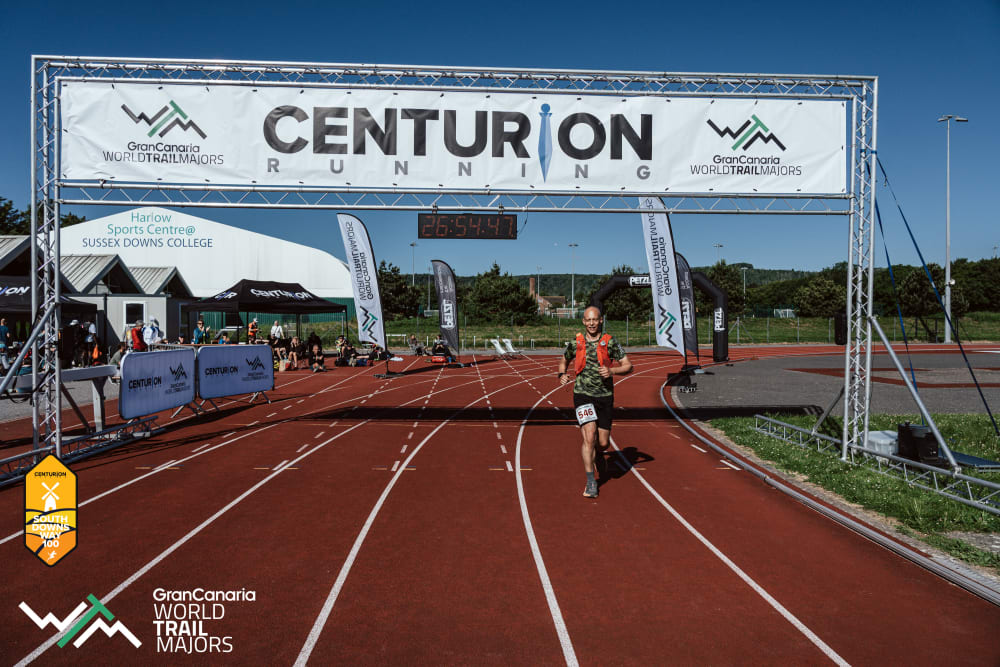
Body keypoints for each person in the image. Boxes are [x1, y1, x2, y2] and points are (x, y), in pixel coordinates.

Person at [557, 306, 632, 499]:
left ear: (600, 321)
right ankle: (591, 481)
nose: (591, 323)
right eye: (588, 320)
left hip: (604, 397)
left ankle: (599, 454)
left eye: (594, 320)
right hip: (582, 395)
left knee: (603, 443)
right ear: (583, 321)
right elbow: (563, 361)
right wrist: (561, 374)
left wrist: (612, 371)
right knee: (589, 437)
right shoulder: (576, 343)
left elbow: (628, 365)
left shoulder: (610, 342)